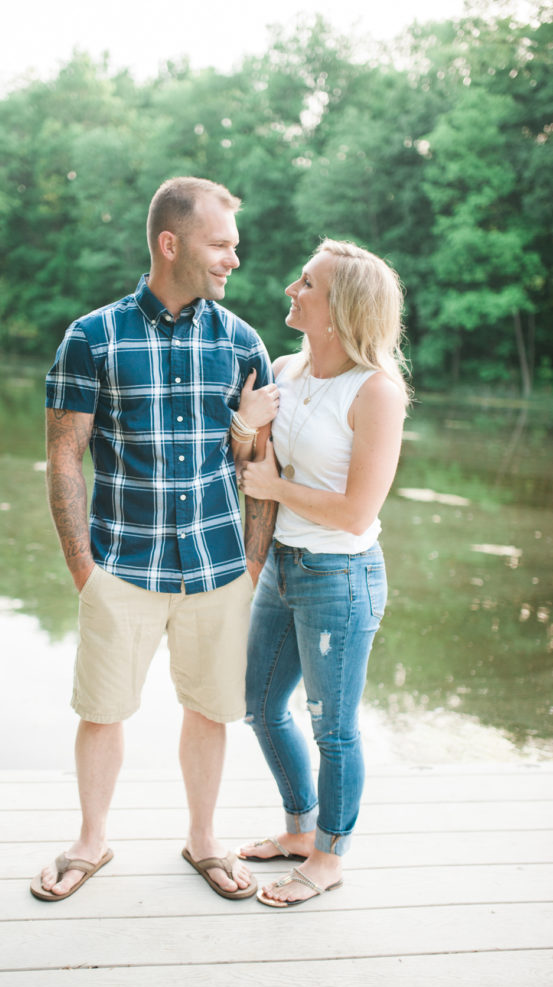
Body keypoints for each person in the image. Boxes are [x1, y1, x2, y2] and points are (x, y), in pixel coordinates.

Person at [30, 177, 279, 903]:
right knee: (101, 710)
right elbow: (63, 456)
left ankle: (203, 840)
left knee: (210, 709)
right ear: (171, 244)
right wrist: (84, 568)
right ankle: (91, 841)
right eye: (221, 244)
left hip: (217, 568)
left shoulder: (242, 343)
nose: (235, 257)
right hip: (119, 563)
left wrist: (252, 565)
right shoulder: (92, 337)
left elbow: (256, 463)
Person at [236, 238, 411, 907]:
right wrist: (242, 428)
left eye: (305, 283)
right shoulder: (286, 367)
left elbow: (355, 511)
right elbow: (254, 464)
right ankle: (299, 830)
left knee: (332, 727)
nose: (290, 289)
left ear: (337, 309)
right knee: (256, 704)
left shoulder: (375, 392)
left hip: (339, 577)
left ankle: (330, 855)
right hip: (282, 567)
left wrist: (274, 490)